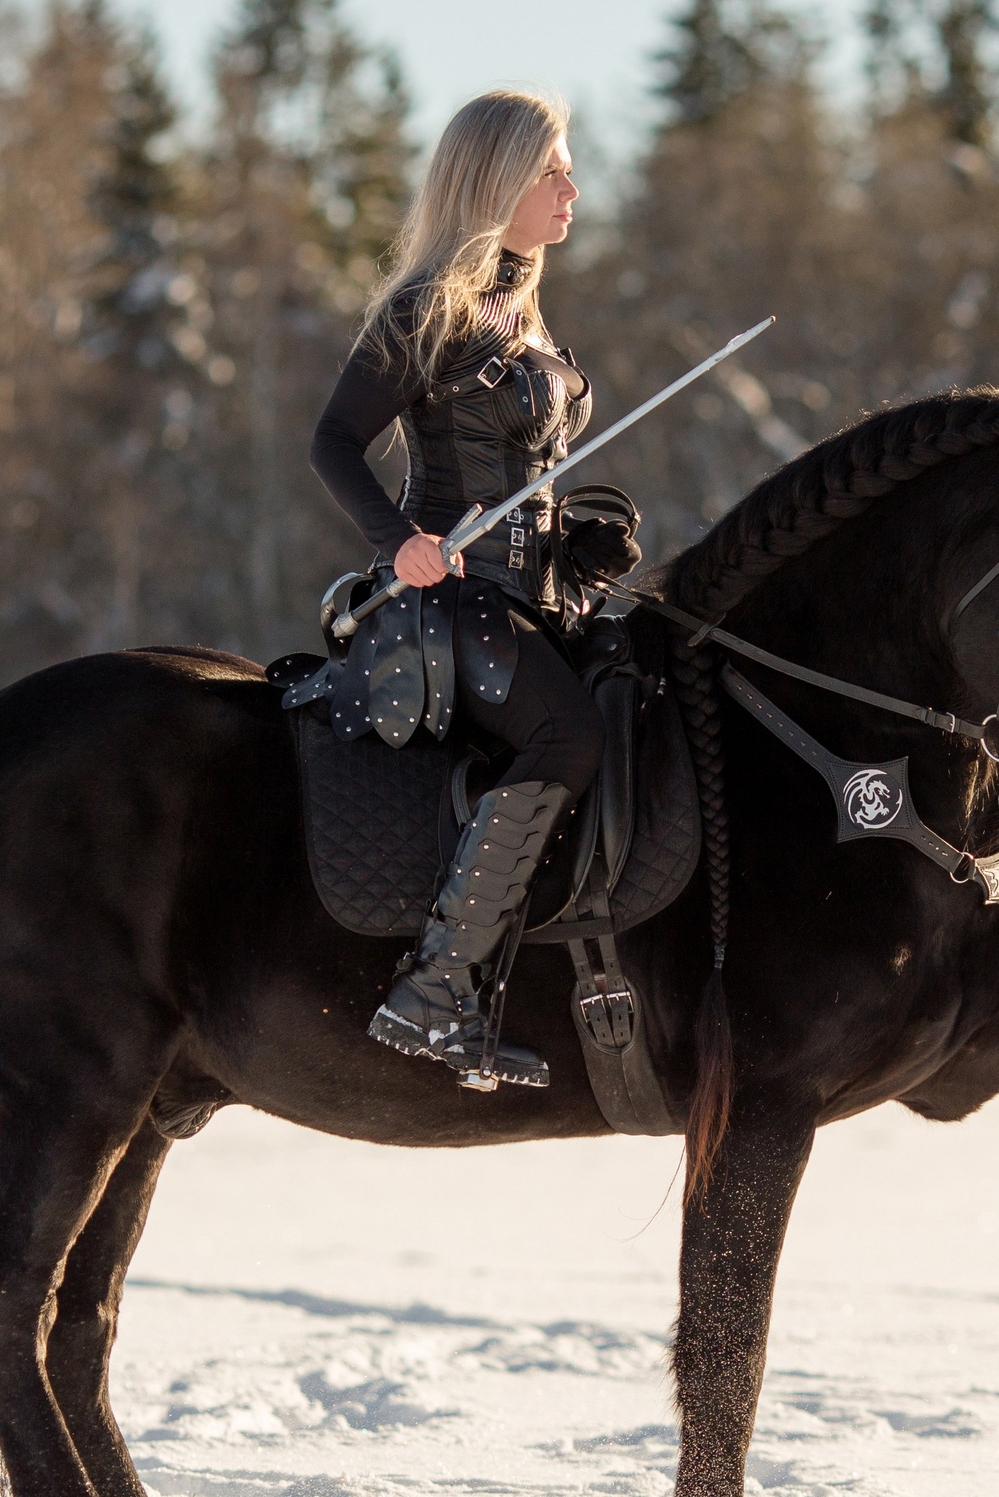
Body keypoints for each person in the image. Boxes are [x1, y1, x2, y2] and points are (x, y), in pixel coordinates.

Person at [308, 90, 639, 1092]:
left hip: (535, 600)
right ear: (495, 181)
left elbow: (523, 475)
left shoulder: (524, 314)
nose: (571, 190)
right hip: (452, 607)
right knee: (567, 735)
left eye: (569, 168)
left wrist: (575, 546)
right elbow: (330, 443)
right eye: (552, 171)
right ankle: (437, 989)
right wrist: (397, 540)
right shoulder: (425, 310)